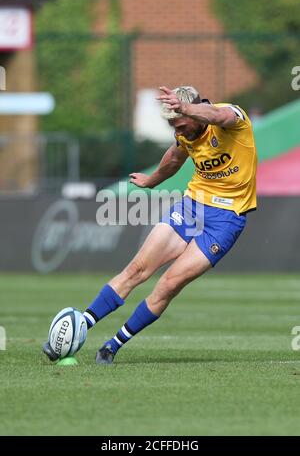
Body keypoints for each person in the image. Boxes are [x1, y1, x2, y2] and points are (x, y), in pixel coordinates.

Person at [43, 85, 257, 364]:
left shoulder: (231, 120)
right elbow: (174, 158)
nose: (178, 131)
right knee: (137, 269)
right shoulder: (185, 133)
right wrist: (152, 180)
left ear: (193, 112)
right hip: (193, 206)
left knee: (169, 284)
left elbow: (218, 116)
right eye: (172, 126)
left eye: (180, 123)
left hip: (226, 220)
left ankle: (112, 345)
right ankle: (80, 326)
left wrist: (186, 109)